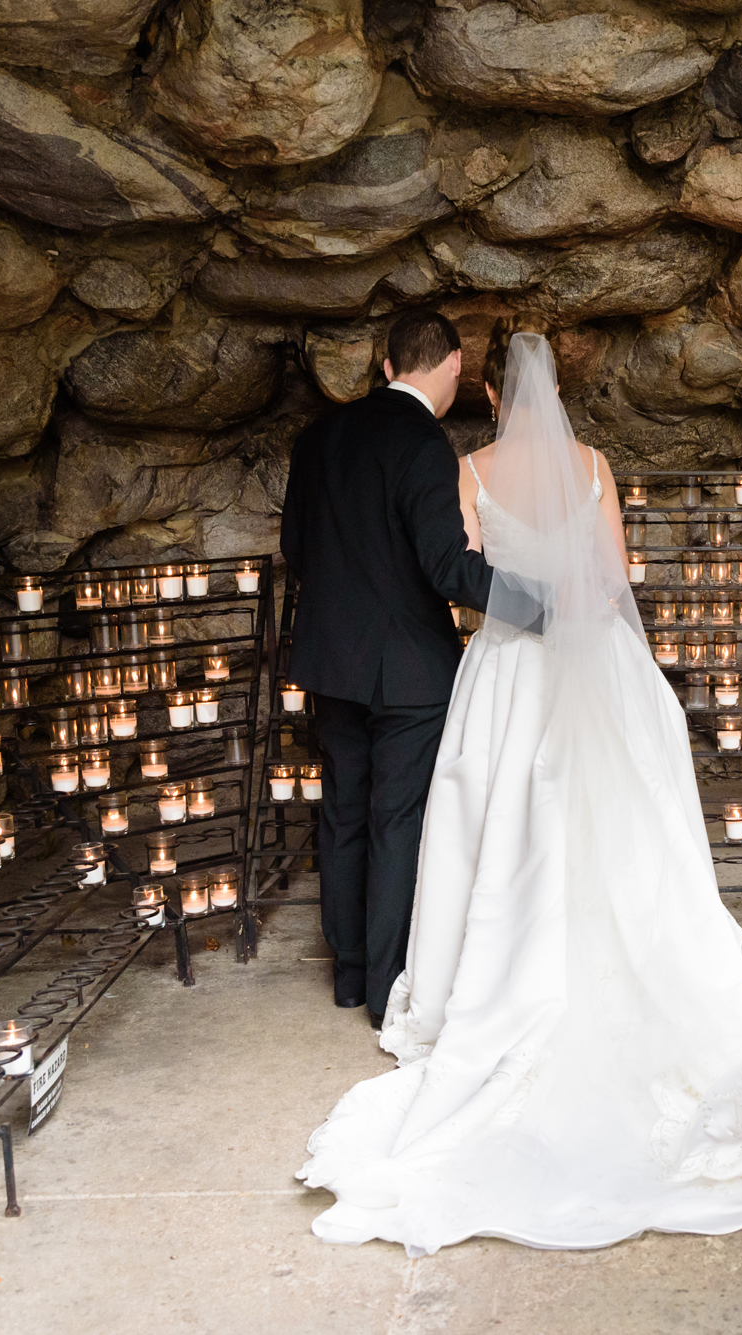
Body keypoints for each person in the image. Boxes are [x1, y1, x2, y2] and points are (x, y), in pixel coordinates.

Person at [297, 322, 742, 1254]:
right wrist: (574, 607)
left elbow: (462, 577)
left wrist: (520, 607)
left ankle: (393, 974)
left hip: (505, 668)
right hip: (597, 654)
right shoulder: (594, 463)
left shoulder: (470, 466)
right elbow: (615, 574)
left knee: (484, 818)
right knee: (616, 822)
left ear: (490, 391)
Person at [279, 310, 493, 1021]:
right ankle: (383, 986)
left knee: (341, 811)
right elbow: (445, 567)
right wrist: (534, 593)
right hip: (407, 669)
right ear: (454, 367)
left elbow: (297, 549)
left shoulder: (318, 438)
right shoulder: (423, 444)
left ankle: (345, 972)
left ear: (387, 364)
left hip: (332, 661)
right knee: (396, 819)